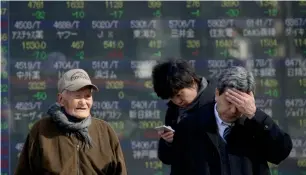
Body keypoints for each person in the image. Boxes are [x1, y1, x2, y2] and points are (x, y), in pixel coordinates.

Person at [170, 66, 293, 175]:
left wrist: (255, 115)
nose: (234, 110)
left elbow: (280, 153)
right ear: (217, 94)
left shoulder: (255, 124)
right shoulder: (190, 126)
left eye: (240, 104)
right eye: (229, 102)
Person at [15, 69, 127, 175]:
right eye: (77, 96)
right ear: (61, 99)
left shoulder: (105, 132)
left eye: (87, 96)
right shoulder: (42, 130)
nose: (83, 102)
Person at [151, 58, 215, 165]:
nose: (177, 101)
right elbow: (166, 158)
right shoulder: (173, 111)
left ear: (192, 82)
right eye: (172, 98)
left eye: (179, 94)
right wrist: (169, 142)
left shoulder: (217, 101)